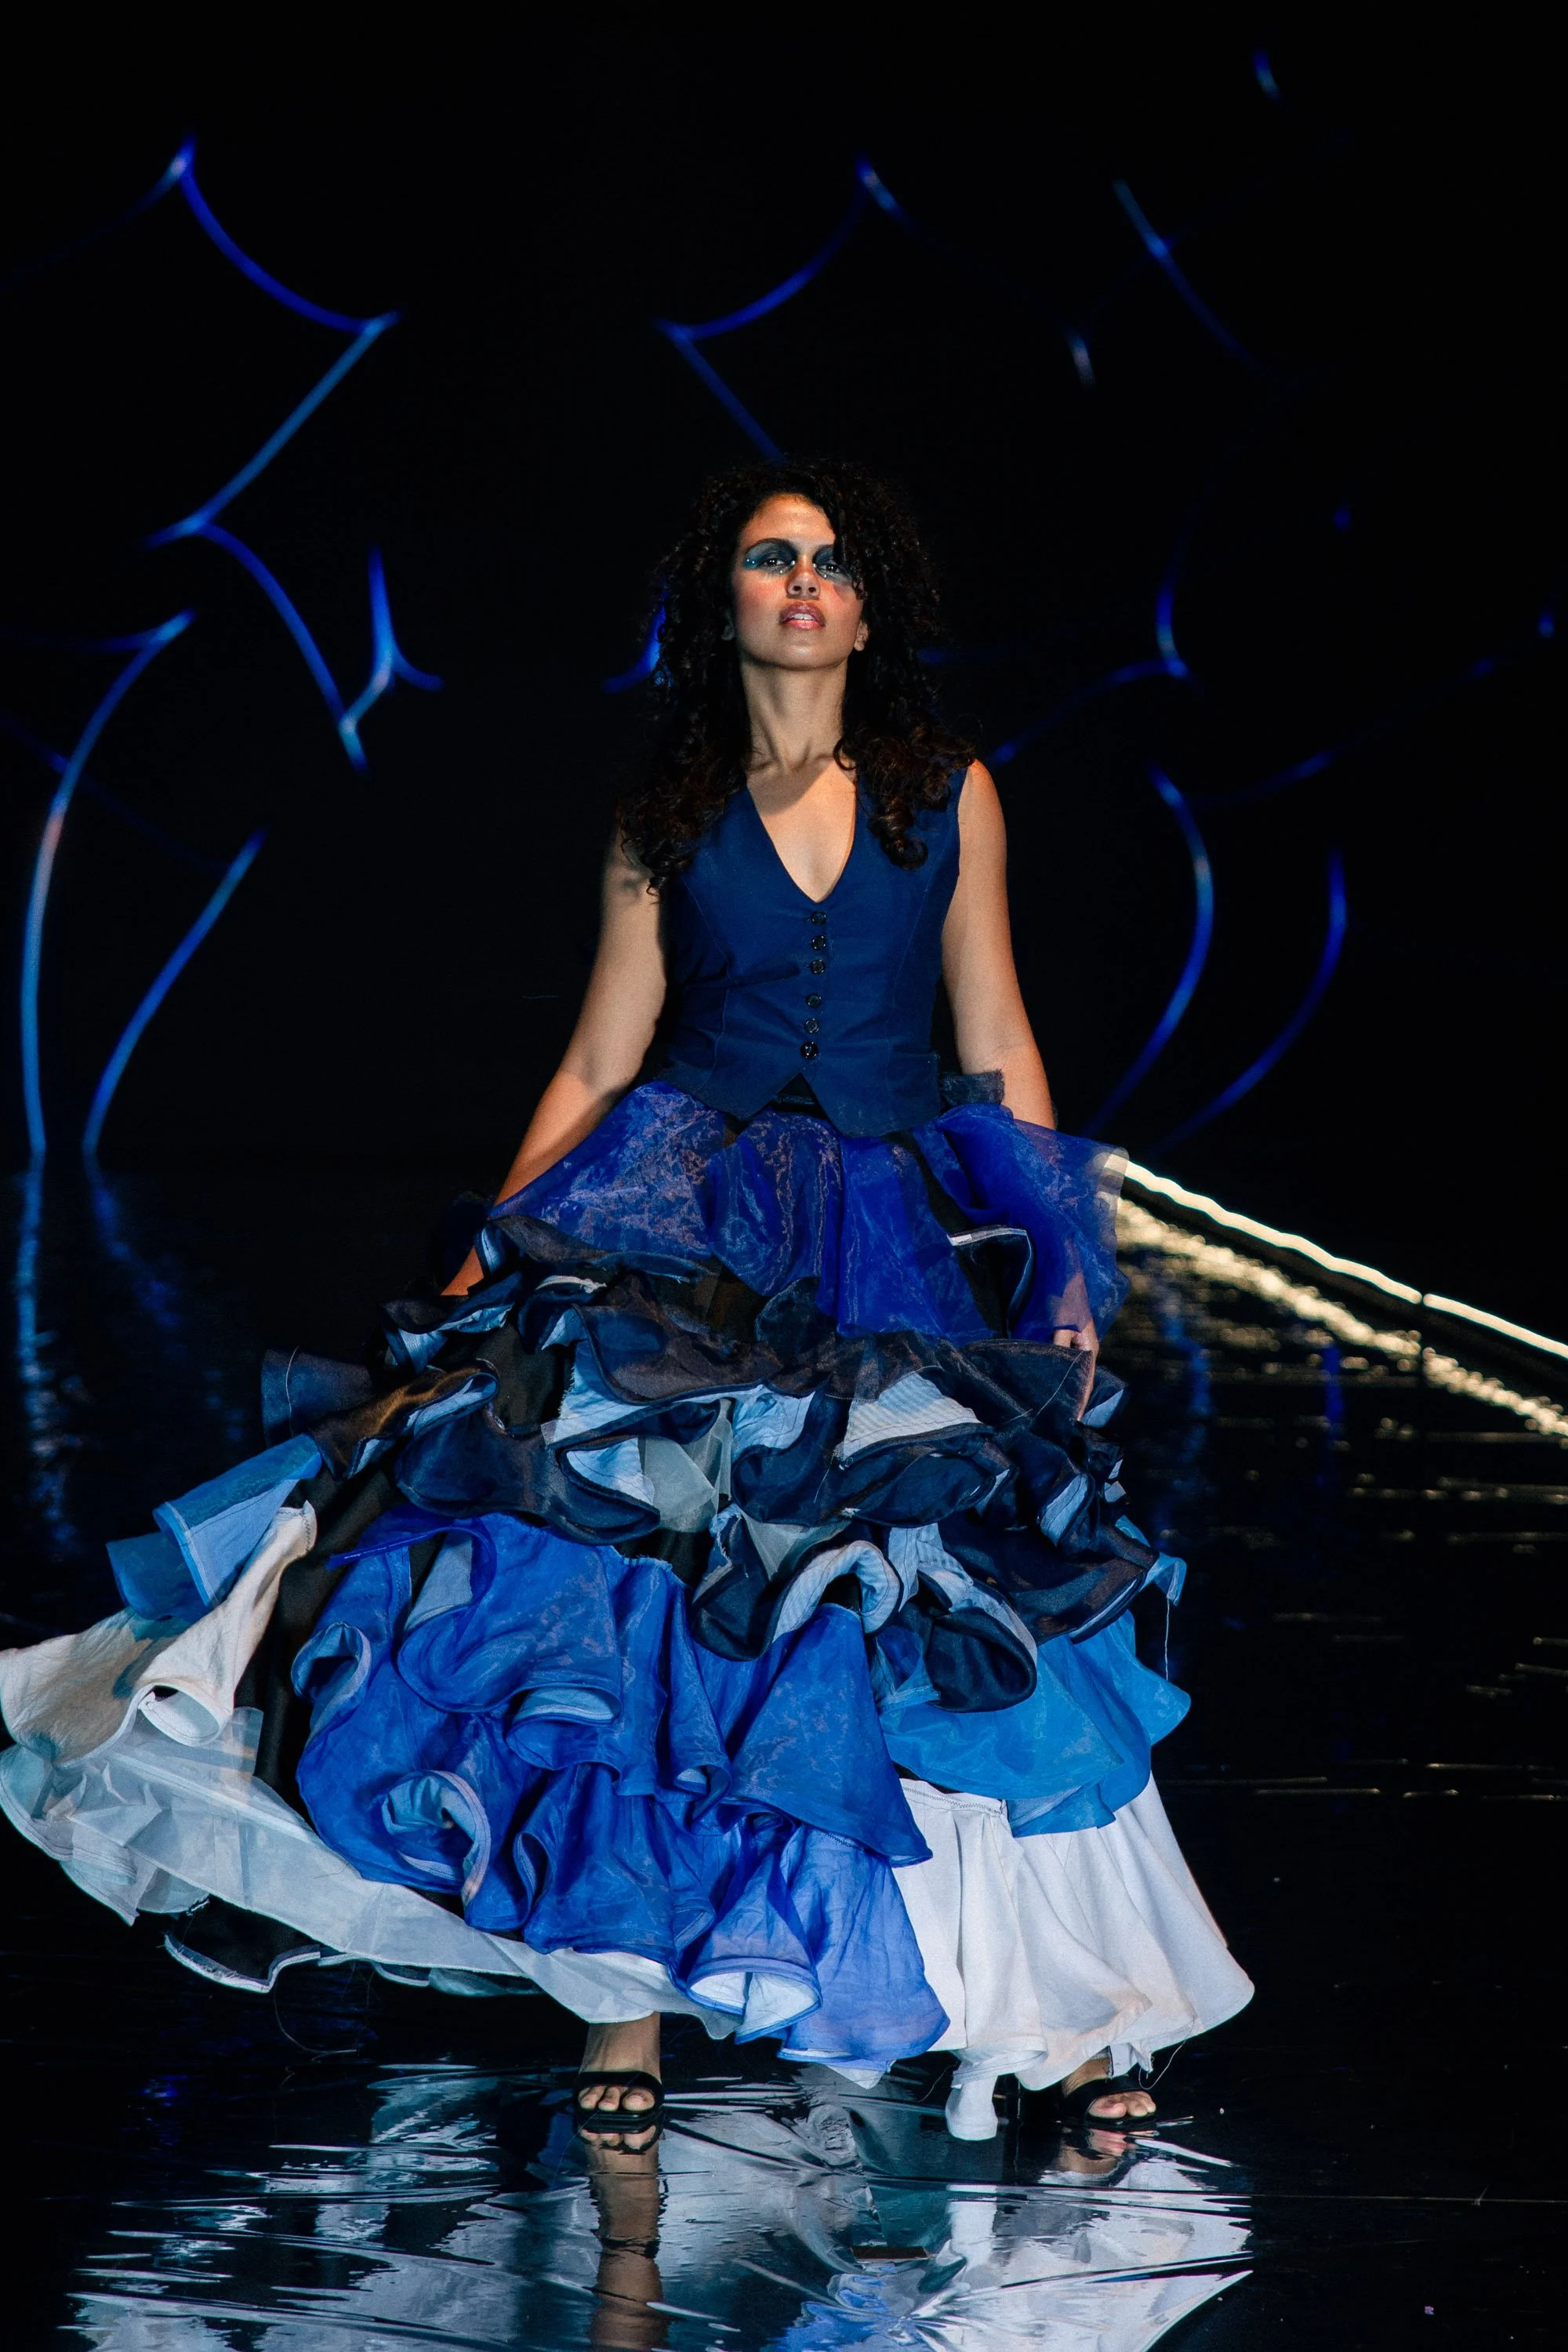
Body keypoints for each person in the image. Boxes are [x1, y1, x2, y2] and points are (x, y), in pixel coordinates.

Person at [0, 459, 1250, 2151]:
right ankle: (626, 1999)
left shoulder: (946, 793)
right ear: (722, 596)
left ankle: (1071, 2017)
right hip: (681, 1225)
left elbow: (995, 1037)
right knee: (632, 1607)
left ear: (869, 606)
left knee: (926, 1605)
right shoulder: (664, 811)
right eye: (769, 557)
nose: (802, 583)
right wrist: (487, 1258)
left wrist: (1058, 1264)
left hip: (878, 1245)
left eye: (831, 561)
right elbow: (602, 1056)